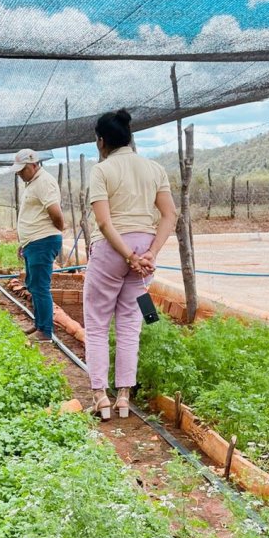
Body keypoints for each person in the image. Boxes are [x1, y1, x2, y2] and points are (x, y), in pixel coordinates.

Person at [84, 108, 177, 419]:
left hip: (114, 250)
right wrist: (150, 253)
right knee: (130, 325)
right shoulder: (154, 169)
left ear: (100, 141)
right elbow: (169, 215)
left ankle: (100, 397)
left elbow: (104, 222)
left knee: (97, 324)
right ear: (130, 137)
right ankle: (124, 396)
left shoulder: (102, 170)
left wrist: (127, 255)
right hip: (144, 249)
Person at [11, 148, 66, 340]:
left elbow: (56, 213)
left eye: (22, 169)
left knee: (40, 287)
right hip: (34, 242)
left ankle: (45, 331)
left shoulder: (43, 182)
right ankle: (39, 325)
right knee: (33, 285)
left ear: (34, 164)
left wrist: (58, 229)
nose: (19, 173)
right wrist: (24, 242)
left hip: (43, 241)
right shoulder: (32, 182)